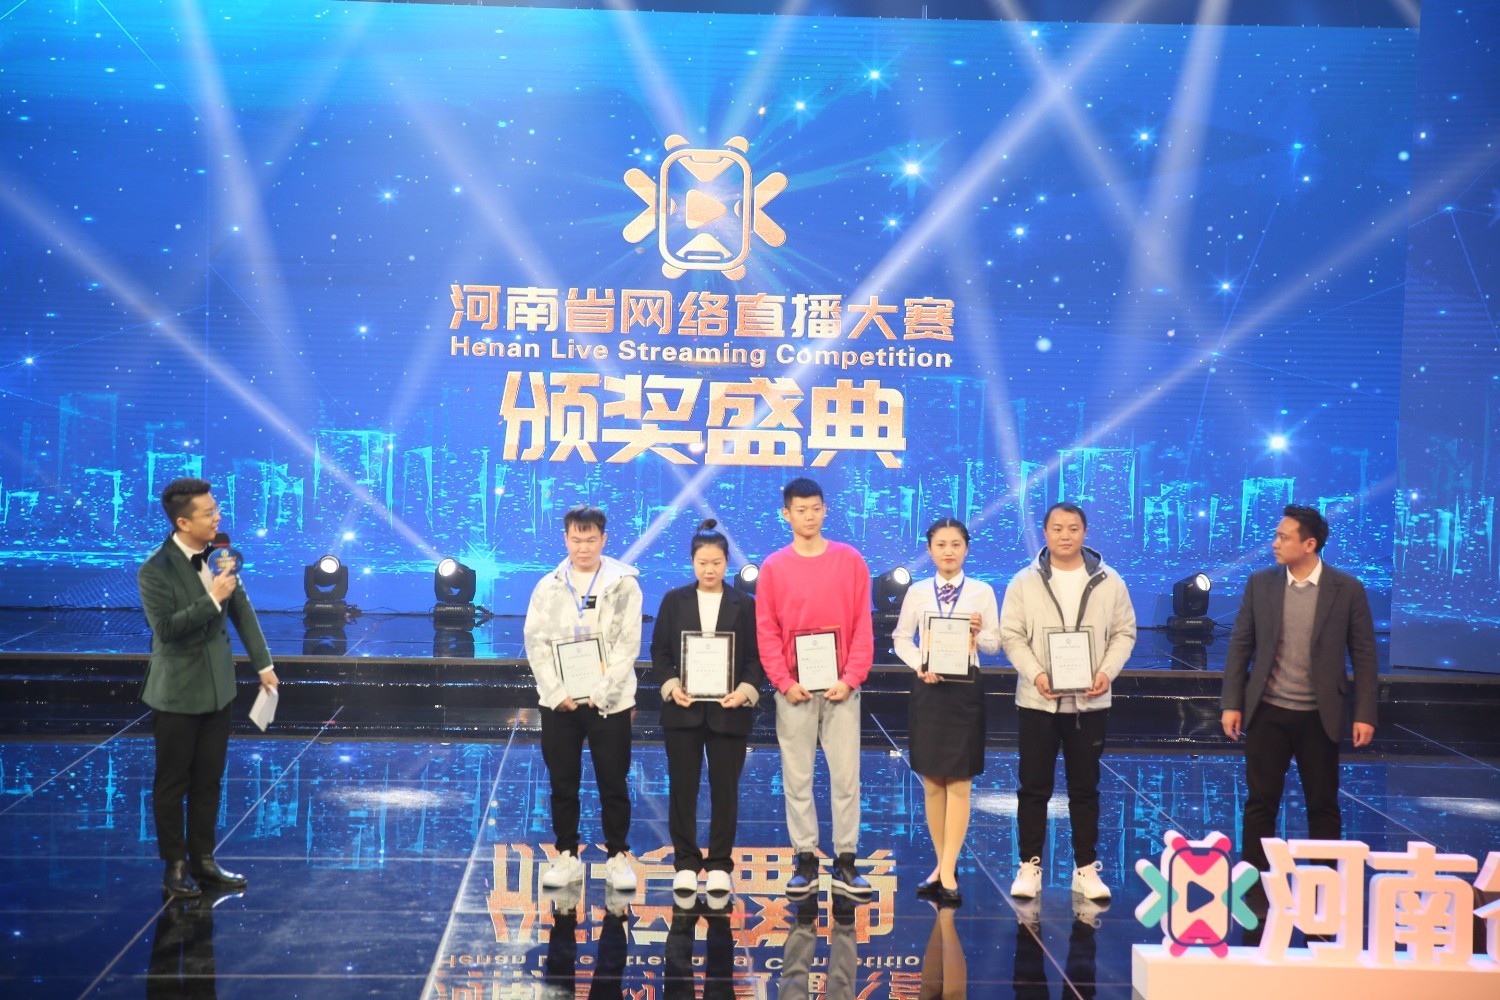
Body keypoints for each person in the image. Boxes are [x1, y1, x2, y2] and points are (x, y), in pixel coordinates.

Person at [138, 477, 278, 898]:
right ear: (183, 522)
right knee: (172, 784)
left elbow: (243, 611)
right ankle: (175, 867)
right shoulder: (154, 570)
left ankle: (203, 860)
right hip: (177, 695)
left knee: (209, 780)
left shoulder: (221, 555)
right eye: (208, 513)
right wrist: (212, 598)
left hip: (219, 690)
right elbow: (166, 630)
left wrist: (264, 665)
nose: (218, 517)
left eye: (216, 509)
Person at [1221, 504, 1378, 871]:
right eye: (1276, 536)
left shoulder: (1346, 589)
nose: (1274, 544)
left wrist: (1365, 713)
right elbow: (1240, 645)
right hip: (1267, 711)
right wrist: (1231, 703)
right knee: (1260, 803)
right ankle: (1254, 882)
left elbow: (1364, 654)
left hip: (1319, 715)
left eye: (1283, 537)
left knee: (1322, 804)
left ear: (1309, 544)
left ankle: (1323, 883)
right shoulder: (1261, 583)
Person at [1000, 502, 1135, 902]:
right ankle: (1029, 866)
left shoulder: (1109, 580)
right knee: (1033, 788)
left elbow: (1124, 632)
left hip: (1089, 703)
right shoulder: (1024, 581)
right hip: (1037, 701)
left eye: (1073, 528)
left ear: (1084, 533)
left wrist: (1106, 672)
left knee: (1085, 788)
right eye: (1057, 528)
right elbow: (1012, 635)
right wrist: (1037, 674)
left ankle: (1085, 869)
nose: (1065, 535)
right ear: (1045, 533)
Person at [755, 478, 875, 898]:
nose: (809, 516)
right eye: (801, 510)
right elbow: (767, 631)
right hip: (795, 691)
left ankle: (846, 861)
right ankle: (805, 859)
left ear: (825, 510)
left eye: (815, 508)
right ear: (786, 514)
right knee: (797, 778)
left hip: (842, 688)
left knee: (846, 778)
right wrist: (783, 682)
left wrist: (851, 678)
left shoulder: (850, 560)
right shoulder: (774, 567)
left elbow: (862, 626)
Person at [522, 505, 643, 894]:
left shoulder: (623, 584)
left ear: (604, 540)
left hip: (610, 701)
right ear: (565, 539)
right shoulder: (549, 586)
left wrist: (602, 691)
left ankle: (617, 856)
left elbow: (628, 644)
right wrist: (556, 692)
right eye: (576, 539)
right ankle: (566, 854)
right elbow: (535, 642)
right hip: (560, 703)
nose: (583, 547)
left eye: (591, 539)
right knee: (563, 781)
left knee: (613, 780)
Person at [650, 519, 764, 899]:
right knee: (682, 790)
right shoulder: (674, 601)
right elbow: (660, 652)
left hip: (729, 711)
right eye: (703, 563)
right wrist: (671, 686)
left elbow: (755, 657)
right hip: (683, 710)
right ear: (692, 562)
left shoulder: (745, 605)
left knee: (724, 792)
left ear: (727, 562)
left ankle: (718, 865)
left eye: (716, 562)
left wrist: (745, 691)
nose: (709, 570)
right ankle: (685, 863)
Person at [891, 517, 1001, 907]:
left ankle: (949, 867)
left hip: (965, 690)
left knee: (960, 781)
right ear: (930, 549)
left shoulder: (982, 591)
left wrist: (979, 632)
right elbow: (900, 638)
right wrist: (920, 663)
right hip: (929, 689)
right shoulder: (918, 592)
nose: (948, 551)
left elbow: (994, 645)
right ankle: (940, 865)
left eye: (956, 544)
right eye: (941, 544)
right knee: (932, 782)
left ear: (966, 549)